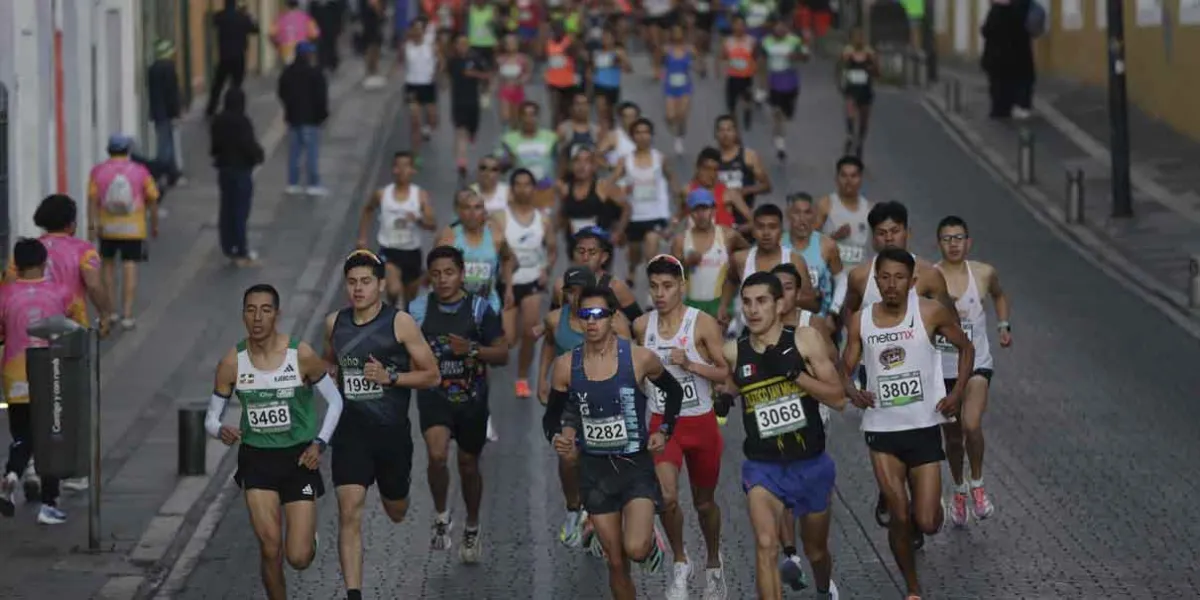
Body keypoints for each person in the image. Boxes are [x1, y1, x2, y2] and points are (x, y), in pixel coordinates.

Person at [842, 248, 972, 600]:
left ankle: (928, 508)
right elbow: (845, 368)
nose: (891, 285)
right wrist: (852, 391)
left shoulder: (930, 312)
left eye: (899, 277)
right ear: (876, 281)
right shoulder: (861, 320)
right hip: (881, 429)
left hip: (924, 427)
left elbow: (966, 348)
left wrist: (957, 392)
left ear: (912, 281)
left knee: (927, 522)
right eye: (884, 277)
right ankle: (912, 589)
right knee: (899, 515)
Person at [543, 286, 685, 599]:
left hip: (635, 467)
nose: (592, 322)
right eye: (585, 315)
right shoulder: (566, 366)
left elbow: (674, 393)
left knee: (635, 549)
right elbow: (552, 417)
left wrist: (664, 431)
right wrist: (559, 438)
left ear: (612, 318)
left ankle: (650, 540)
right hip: (594, 473)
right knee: (616, 563)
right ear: (578, 322)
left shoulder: (639, 358)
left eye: (599, 315)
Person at [206, 283, 344, 600]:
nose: (257, 318)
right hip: (257, 459)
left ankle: (308, 538)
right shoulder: (232, 362)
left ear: (277, 315)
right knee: (270, 547)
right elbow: (211, 418)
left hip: (298, 459)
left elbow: (335, 402)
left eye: (265, 310)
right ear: (243, 315)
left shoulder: (301, 355)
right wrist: (220, 430)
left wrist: (319, 444)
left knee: (298, 557)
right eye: (251, 310)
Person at [718, 270, 845, 599]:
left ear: (779, 304)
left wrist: (794, 374)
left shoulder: (804, 340)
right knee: (765, 545)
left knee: (816, 552)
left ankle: (821, 586)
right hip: (763, 467)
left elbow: (838, 398)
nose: (753, 310)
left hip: (811, 464)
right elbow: (732, 380)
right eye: (746, 303)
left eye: (761, 301)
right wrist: (726, 396)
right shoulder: (734, 352)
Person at [325, 250, 441, 600]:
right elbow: (330, 363)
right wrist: (327, 375)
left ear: (379, 285)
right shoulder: (334, 323)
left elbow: (432, 375)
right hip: (350, 433)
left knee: (396, 511)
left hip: (391, 434)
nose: (358, 289)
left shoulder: (400, 323)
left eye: (365, 282)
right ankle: (354, 594)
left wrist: (390, 376)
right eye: (352, 283)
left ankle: (398, 491)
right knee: (349, 512)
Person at [633, 255, 730, 600]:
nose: (660, 293)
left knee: (705, 504)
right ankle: (679, 561)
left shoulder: (701, 323)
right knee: (668, 497)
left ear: (682, 287)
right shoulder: (642, 327)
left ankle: (715, 563)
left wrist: (690, 364)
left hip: (701, 423)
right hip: (663, 424)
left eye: (668, 286)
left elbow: (725, 373)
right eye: (655, 287)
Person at [406, 247, 508, 562]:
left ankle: (472, 526)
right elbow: (401, 347)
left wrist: (473, 350)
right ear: (429, 277)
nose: (443, 279)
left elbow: (502, 353)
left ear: (461, 274)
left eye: (449, 272)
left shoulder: (479, 310)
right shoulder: (418, 309)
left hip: (472, 402)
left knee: (467, 464)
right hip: (434, 398)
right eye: (436, 274)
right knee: (437, 456)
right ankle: (441, 516)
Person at [536, 266, 631, 549]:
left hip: (604, 401)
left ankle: (596, 515)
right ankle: (573, 507)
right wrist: (543, 377)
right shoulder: (555, 319)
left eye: (580, 291)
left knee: (602, 461)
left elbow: (629, 359)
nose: (575, 298)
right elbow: (550, 345)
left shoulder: (615, 322)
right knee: (567, 459)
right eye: (570, 292)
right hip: (568, 402)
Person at [933, 216, 1012, 527]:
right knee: (952, 439)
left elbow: (1000, 295)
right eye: (947, 238)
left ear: (969, 241)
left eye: (959, 238)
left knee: (971, 424)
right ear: (939, 243)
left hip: (977, 363)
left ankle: (977, 484)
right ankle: (959, 488)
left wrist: (1003, 326)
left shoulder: (983, 273)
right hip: (943, 367)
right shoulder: (930, 277)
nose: (953, 244)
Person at [0, 239, 77, 524]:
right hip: (50, 371)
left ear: (15, 265)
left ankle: (11, 474)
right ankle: (49, 503)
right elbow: (76, 327)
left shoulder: (4, 295)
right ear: (45, 263)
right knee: (50, 437)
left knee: (23, 433)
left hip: (14, 372)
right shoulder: (60, 292)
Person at [493, 169, 556, 397]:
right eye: (518, 184)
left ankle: (521, 376)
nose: (523, 189)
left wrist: (545, 269)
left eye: (527, 184)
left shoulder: (544, 220)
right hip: (507, 282)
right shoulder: (500, 218)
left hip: (531, 281)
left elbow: (552, 250)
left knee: (530, 331)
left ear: (533, 188)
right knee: (510, 339)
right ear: (512, 189)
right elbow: (496, 249)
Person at [87, 134, 160, 330]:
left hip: (107, 228)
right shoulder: (140, 171)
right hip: (133, 229)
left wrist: (92, 227)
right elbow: (152, 197)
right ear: (128, 150)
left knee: (107, 268)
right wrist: (154, 224)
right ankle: (127, 314)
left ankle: (110, 312)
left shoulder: (98, 171)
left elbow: (92, 200)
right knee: (130, 267)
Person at [357, 152, 437, 307]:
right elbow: (367, 209)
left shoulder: (419, 195)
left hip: (412, 252)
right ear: (393, 169)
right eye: (397, 166)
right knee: (393, 290)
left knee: (410, 301)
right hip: (389, 250)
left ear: (413, 170)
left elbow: (432, 224)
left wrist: (418, 220)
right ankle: (393, 312)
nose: (401, 170)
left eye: (406, 166)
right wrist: (362, 237)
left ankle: (403, 320)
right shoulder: (382, 194)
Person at [607, 118, 678, 289]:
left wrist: (678, 205)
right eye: (638, 132)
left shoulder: (660, 159)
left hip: (656, 214)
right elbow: (610, 184)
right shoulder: (625, 161)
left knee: (651, 248)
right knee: (635, 252)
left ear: (651, 135)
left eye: (646, 132)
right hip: (635, 215)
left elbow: (672, 180)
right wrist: (620, 195)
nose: (642, 136)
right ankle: (632, 269)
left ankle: (651, 291)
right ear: (632, 136)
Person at [726, 204, 819, 325]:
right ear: (753, 230)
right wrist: (724, 306)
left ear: (781, 230)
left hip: (783, 332)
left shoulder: (795, 260)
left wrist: (781, 301)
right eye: (760, 227)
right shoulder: (740, 259)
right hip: (746, 331)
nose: (766, 233)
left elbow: (812, 303)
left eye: (772, 227)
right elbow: (730, 280)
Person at [672, 187, 749, 324]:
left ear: (714, 210)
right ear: (690, 213)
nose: (701, 214)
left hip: (721, 303)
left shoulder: (728, 235)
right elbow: (671, 276)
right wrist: (685, 263)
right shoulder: (681, 240)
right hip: (691, 303)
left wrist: (736, 276)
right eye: (696, 210)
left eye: (705, 209)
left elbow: (748, 256)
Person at [211, 88, 266, 267]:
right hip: (241, 170)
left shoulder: (218, 121)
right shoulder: (242, 122)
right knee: (241, 211)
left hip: (224, 170)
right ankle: (242, 248)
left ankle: (228, 246)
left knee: (226, 208)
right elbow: (248, 144)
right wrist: (258, 156)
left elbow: (214, 146)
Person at [434, 189, 509, 314]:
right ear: (460, 212)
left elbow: (508, 258)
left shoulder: (496, 237)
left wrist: (508, 287)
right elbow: (436, 273)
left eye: (477, 208)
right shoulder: (449, 238)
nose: (472, 213)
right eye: (467, 208)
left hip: (488, 308)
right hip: (455, 309)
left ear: (484, 212)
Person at [278, 42, 330, 197]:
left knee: (294, 152)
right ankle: (313, 184)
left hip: (293, 117)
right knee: (311, 152)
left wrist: (289, 107)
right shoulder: (315, 72)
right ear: (308, 55)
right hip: (311, 119)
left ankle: (292, 183)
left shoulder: (288, 72)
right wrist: (322, 115)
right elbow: (321, 97)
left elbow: (281, 92)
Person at [558, 145, 628, 253]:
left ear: (594, 166)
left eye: (587, 161)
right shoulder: (565, 189)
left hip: (600, 249)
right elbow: (561, 216)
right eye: (577, 161)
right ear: (571, 166)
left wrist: (619, 232)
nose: (582, 166)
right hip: (575, 247)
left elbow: (627, 208)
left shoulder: (603, 187)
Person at [788, 192, 842, 323]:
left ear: (814, 216)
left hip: (819, 320)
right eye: (797, 213)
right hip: (786, 321)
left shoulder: (827, 245)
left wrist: (833, 313)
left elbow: (842, 280)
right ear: (788, 215)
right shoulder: (778, 244)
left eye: (807, 213)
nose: (802, 218)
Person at [714, 115, 771, 235]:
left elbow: (766, 186)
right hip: (720, 220)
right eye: (722, 130)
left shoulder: (748, 156)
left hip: (744, 219)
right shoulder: (711, 160)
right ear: (716, 134)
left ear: (736, 132)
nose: (725, 134)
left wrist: (745, 191)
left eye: (729, 130)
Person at [761, 17, 808, 161]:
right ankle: (780, 145)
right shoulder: (766, 42)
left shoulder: (795, 41)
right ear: (774, 28)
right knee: (777, 114)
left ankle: (780, 135)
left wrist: (796, 56)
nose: (780, 29)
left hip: (790, 81)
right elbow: (761, 62)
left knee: (788, 115)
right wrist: (762, 85)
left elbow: (806, 57)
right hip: (775, 80)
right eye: (778, 27)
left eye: (783, 27)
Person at [815, 156, 871, 275]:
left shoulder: (870, 209)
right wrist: (834, 237)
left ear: (861, 179)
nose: (848, 181)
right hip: (831, 273)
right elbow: (810, 241)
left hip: (859, 276)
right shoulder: (826, 204)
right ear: (836, 178)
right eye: (844, 176)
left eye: (853, 176)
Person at [499, 102, 559, 211]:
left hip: (544, 191)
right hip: (519, 193)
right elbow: (500, 166)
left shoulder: (551, 137)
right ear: (519, 118)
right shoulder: (508, 139)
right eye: (524, 115)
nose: (528, 119)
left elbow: (559, 162)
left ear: (538, 117)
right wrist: (508, 160)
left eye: (532, 115)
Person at [981, 0, 1036, 120]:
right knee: (1015, 82)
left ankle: (999, 110)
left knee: (998, 85)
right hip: (1018, 55)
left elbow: (986, 30)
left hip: (998, 57)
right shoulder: (1022, 7)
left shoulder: (996, 11)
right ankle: (1016, 107)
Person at [448, 33, 490, 180]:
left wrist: (475, 75)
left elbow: (487, 76)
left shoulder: (476, 59)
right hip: (458, 103)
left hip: (473, 102)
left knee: (471, 131)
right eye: (459, 44)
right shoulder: (452, 61)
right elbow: (444, 76)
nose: (462, 46)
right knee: (461, 132)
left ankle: (472, 134)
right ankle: (462, 163)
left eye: (465, 43)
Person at [207, 0, 260, 118]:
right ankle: (236, 108)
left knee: (218, 84)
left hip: (224, 56)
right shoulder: (243, 17)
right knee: (237, 85)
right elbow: (256, 29)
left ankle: (211, 109)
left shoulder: (220, 16)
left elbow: (212, 22)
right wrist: (248, 15)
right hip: (239, 56)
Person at [147, 40, 185, 187]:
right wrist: (176, 111)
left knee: (163, 142)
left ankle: (167, 172)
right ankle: (166, 172)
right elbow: (172, 93)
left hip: (157, 112)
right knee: (167, 144)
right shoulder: (169, 68)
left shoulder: (152, 69)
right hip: (168, 113)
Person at [837, 28, 878, 158]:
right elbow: (839, 68)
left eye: (861, 36)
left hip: (865, 89)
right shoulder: (847, 52)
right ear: (852, 38)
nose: (859, 39)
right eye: (856, 37)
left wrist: (872, 68)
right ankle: (850, 135)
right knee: (850, 112)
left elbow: (877, 72)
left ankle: (860, 141)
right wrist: (839, 83)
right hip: (851, 88)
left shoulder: (869, 53)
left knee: (864, 121)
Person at [405, 18, 442, 158]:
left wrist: (437, 75)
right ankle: (416, 155)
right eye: (415, 29)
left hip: (428, 85)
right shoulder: (406, 46)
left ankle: (427, 128)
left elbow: (441, 62)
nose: (417, 32)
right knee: (415, 122)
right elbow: (400, 63)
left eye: (420, 29)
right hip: (412, 86)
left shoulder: (430, 46)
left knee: (433, 119)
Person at [719, 16, 757, 128]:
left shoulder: (751, 41)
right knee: (731, 105)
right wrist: (722, 70)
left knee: (747, 100)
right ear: (733, 26)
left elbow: (755, 57)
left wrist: (755, 68)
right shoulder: (727, 41)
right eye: (737, 24)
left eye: (742, 25)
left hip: (746, 76)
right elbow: (723, 56)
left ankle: (747, 113)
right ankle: (733, 127)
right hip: (733, 76)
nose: (739, 27)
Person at [590, 27, 631, 130]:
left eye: (608, 37)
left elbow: (628, 69)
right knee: (602, 112)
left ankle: (611, 132)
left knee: (610, 114)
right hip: (599, 85)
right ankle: (603, 131)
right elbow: (592, 69)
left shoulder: (618, 52)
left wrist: (621, 59)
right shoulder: (597, 53)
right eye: (604, 38)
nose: (606, 40)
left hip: (613, 86)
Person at [544, 23, 583, 125]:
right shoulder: (549, 43)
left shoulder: (570, 42)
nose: (557, 32)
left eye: (560, 30)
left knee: (567, 110)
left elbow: (578, 57)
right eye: (555, 30)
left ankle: (567, 132)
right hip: (553, 81)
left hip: (568, 81)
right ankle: (555, 131)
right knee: (555, 109)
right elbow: (546, 59)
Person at [494, 34, 534, 130]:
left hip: (517, 90)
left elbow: (528, 74)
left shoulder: (523, 59)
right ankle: (505, 134)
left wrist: (521, 80)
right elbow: (496, 76)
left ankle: (515, 136)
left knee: (516, 119)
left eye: (513, 43)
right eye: (508, 43)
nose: (510, 45)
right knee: (505, 117)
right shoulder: (500, 60)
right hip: (505, 91)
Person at [271, 0, 320, 65]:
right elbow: (315, 34)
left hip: (286, 52)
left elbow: (271, 34)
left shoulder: (280, 18)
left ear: (286, 5)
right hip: (302, 51)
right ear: (298, 5)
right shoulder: (305, 18)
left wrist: (278, 47)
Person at [310, 0, 348, 73]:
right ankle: (328, 62)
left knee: (328, 44)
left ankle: (329, 62)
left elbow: (339, 13)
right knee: (326, 45)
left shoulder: (318, 5)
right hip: (325, 24)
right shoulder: (315, 5)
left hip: (328, 24)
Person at [358, 0, 386, 87]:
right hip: (369, 23)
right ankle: (369, 72)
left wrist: (380, 10)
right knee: (370, 47)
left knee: (376, 47)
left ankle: (374, 70)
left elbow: (381, 11)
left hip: (376, 24)